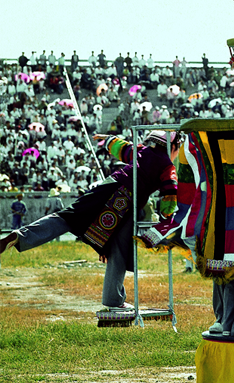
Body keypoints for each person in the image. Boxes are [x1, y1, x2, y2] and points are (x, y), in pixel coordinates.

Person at [0, 131, 179, 310]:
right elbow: (170, 195)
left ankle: (21, 236)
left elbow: (121, 147)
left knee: (67, 217)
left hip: (108, 185)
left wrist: (108, 139)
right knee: (119, 249)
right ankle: (113, 300)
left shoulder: (142, 150)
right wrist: (167, 216)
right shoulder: (168, 166)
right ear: (172, 146)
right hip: (127, 200)